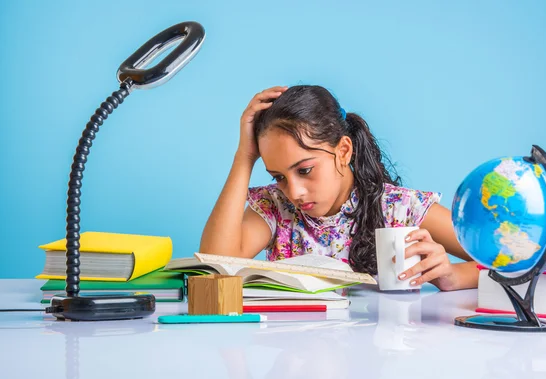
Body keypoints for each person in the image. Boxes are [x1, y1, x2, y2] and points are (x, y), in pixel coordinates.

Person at [200, 85, 478, 291]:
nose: (294, 192)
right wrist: (244, 157)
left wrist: (453, 277)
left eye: (305, 170)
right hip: (297, 359)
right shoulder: (276, 208)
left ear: (343, 151)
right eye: (278, 176)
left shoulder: (399, 208)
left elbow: (513, 264)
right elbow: (215, 268)